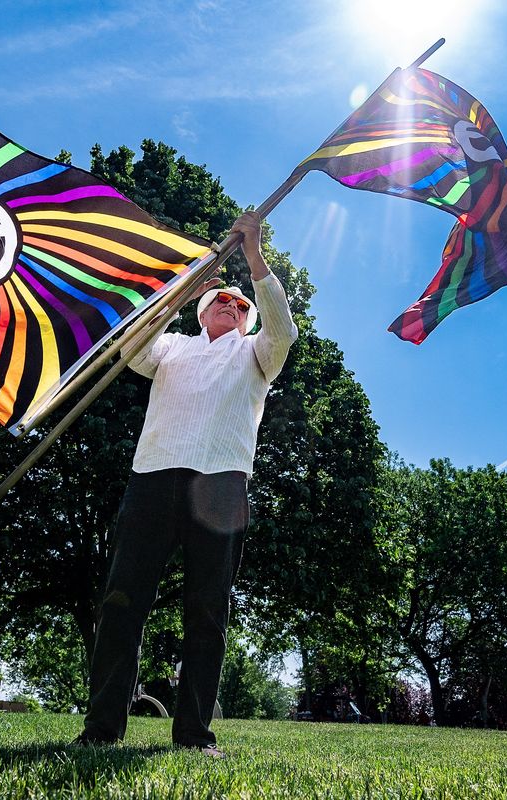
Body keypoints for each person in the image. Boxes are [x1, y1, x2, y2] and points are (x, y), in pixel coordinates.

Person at [75, 210, 299, 757]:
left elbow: (285, 330)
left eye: (241, 304)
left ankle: (194, 736)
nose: (233, 303)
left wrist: (253, 256)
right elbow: (129, 346)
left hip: (221, 486)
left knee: (207, 610)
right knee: (122, 603)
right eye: (222, 299)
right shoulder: (171, 347)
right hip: (153, 478)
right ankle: (102, 729)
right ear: (201, 311)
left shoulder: (256, 354)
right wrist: (176, 293)